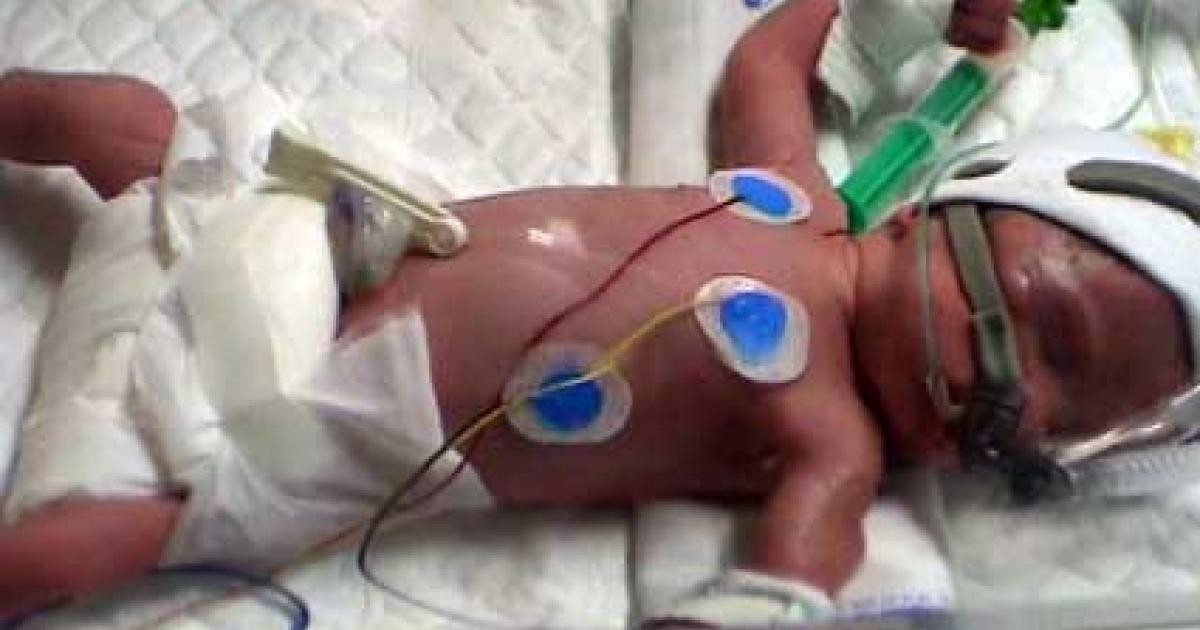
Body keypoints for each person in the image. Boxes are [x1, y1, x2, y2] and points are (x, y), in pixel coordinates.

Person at [6, 0, 1190, 626]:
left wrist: (747, 609)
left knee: (90, 546)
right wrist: (914, 12)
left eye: (1062, 422)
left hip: (345, 421)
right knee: (140, 126)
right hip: (337, 232)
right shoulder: (802, 200)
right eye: (1051, 337)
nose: (1021, 403)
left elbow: (809, 552)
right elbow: (768, 63)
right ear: (943, 205)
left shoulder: (835, 438)